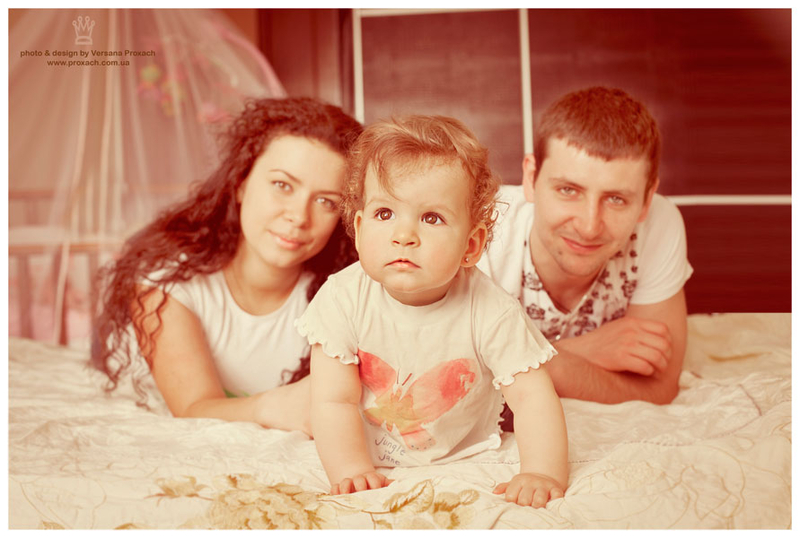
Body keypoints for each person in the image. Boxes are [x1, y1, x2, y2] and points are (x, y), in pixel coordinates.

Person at [296, 115, 568, 508]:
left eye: (431, 218)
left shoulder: (490, 310)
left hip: (466, 454)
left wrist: (542, 471)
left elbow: (532, 398)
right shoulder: (342, 298)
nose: (404, 235)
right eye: (384, 213)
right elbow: (332, 400)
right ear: (359, 228)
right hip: (366, 454)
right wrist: (351, 469)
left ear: (471, 246)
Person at [91, 97, 362, 434]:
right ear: (241, 183)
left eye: (326, 201)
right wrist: (275, 406)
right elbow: (192, 408)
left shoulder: (347, 296)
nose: (298, 216)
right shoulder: (166, 282)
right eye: (282, 186)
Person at [477, 86, 693, 415]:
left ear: (646, 200)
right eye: (568, 190)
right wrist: (583, 350)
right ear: (531, 178)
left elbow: (659, 389)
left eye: (616, 199)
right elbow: (455, 388)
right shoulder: (481, 231)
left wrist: (522, 362)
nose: (590, 227)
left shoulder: (659, 224)